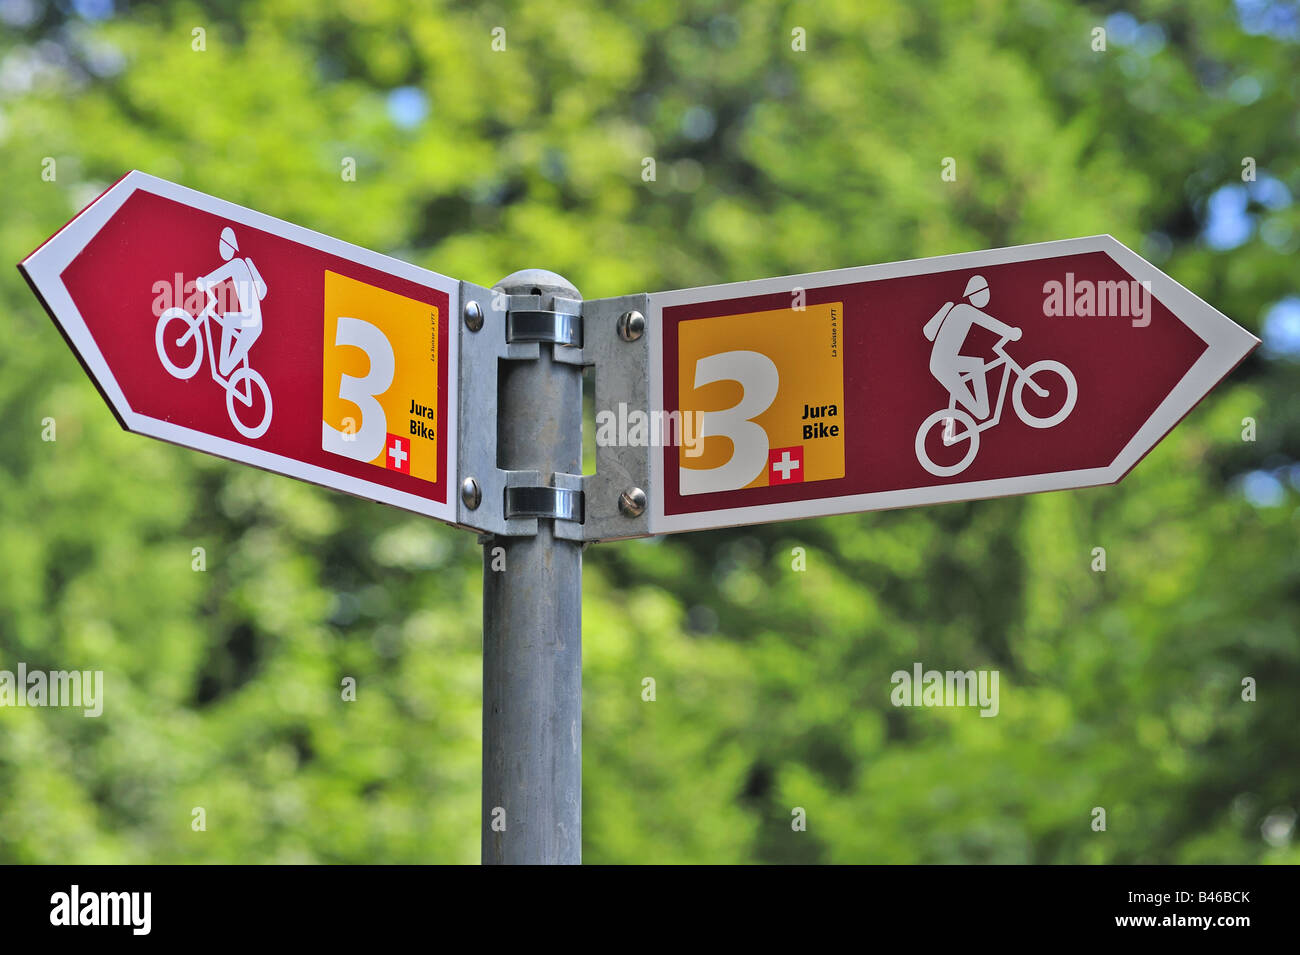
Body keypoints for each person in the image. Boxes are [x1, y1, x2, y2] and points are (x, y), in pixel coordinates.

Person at [923, 274, 1021, 420]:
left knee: (975, 364)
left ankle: (979, 412)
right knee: (976, 366)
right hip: (943, 365)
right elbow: (988, 322)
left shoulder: (961, 309)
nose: (986, 296)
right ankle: (981, 411)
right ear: (974, 295)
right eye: (983, 292)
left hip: (946, 362)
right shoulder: (964, 310)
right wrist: (1010, 332)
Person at [197, 226, 267, 378]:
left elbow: (219, 275)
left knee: (224, 369)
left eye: (222, 245)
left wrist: (204, 282)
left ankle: (226, 371)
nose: (221, 249)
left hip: (251, 322)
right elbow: (263, 292)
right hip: (253, 321)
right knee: (229, 317)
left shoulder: (237, 264)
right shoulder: (245, 264)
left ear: (229, 247)